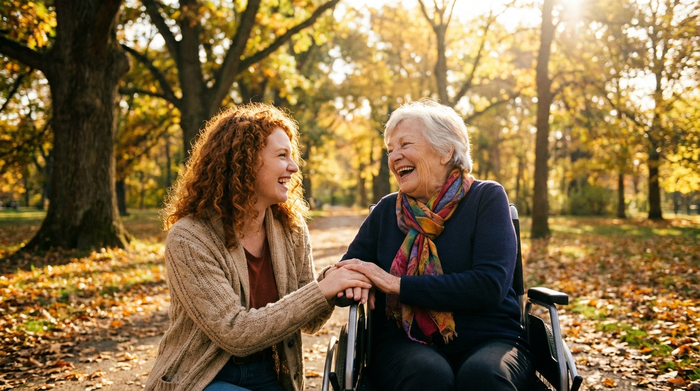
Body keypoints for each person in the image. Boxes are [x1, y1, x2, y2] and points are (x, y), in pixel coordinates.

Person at [145, 103, 372, 391]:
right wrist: (321, 290)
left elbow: (311, 319)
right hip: (202, 377)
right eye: (282, 155)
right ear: (245, 161)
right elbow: (235, 333)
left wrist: (338, 280)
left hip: (269, 374)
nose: (294, 167)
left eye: (292, 156)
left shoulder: (290, 228)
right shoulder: (190, 238)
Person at [336, 99, 535, 391]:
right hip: (403, 341)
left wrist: (395, 284)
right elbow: (345, 274)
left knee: (483, 376)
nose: (394, 157)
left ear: (446, 151)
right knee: (428, 375)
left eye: (405, 144)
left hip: (491, 338)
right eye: (390, 149)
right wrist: (351, 281)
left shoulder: (487, 198)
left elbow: (488, 286)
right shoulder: (386, 211)